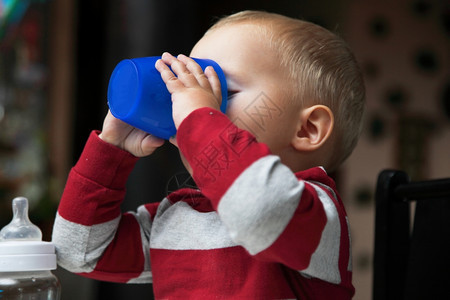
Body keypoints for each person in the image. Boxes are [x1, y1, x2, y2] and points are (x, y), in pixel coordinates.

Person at [52, 10, 365, 299]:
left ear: (307, 129)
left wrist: (199, 116)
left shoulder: (317, 213)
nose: (188, 104)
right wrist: (111, 151)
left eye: (222, 92)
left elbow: (258, 210)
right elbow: (80, 253)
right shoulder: (180, 216)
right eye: (193, 84)